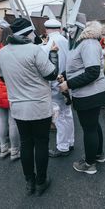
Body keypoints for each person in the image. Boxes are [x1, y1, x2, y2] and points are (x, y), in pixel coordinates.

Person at [0, 18, 59, 196]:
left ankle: (29, 181)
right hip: (39, 105)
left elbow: (2, 78)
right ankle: (41, 181)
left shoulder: (2, 53)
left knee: (26, 144)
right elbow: (52, 73)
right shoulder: (34, 50)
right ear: (27, 33)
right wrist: (54, 54)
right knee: (41, 143)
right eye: (32, 33)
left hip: (18, 106)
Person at [59, 17, 105, 175]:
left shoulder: (88, 43)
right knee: (93, 126)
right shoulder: (82, 43)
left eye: (71, 28)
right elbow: (77, 66)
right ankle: (97, 155)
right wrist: (64, 75)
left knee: (89, 129)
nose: (69, 31)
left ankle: (89, 164)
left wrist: (69, 84)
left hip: (90, 94)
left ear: (80, 29)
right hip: (90, 93)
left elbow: (92, 72)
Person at [42, 19, 75, 158]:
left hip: (55, 84)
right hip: (67, 81)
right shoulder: (66, 41)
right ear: (59, 28)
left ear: (46, 30)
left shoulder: (48, 44)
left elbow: (46, 67)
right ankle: (70, 141)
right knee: (67, 113)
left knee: (59, 116)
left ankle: (62, 147)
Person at [0, 26, 20, 160]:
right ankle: (15, 151)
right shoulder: (11, 52)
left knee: (2, 120)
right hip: (11, 90)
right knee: (13, 122)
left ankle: (3, 149)